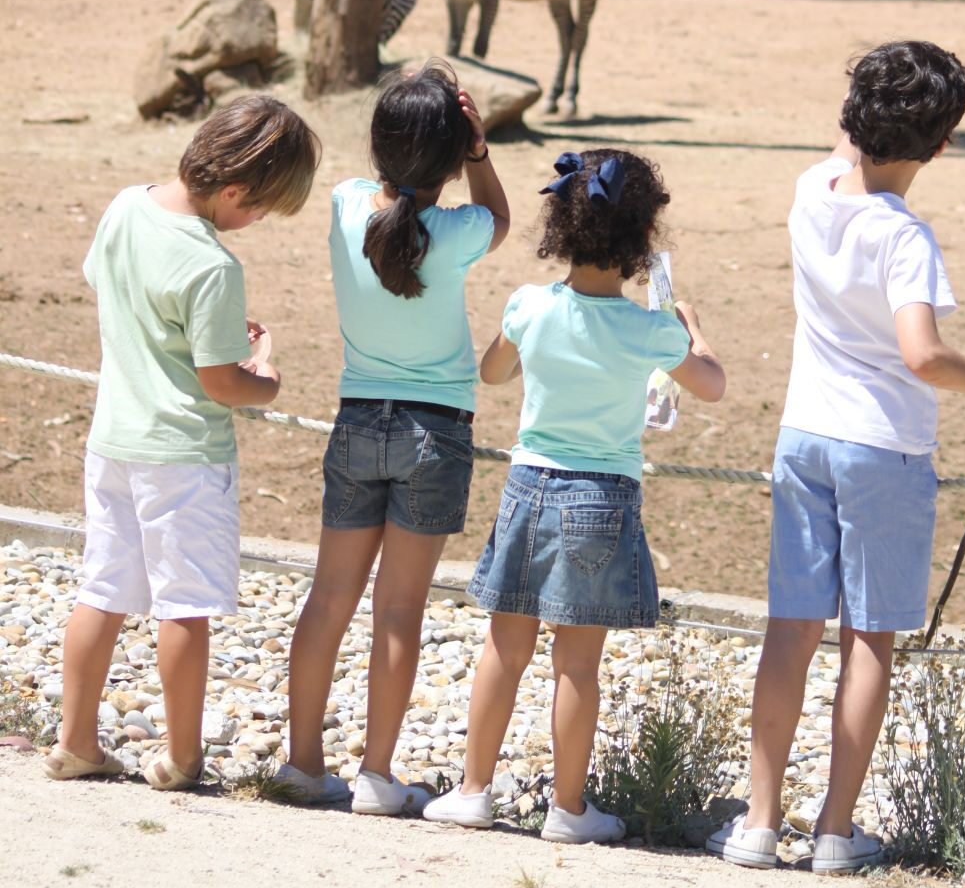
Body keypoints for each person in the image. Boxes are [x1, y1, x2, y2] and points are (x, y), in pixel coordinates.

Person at [708, 40, 965, 875]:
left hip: (804, 434)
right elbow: (921, 354)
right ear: (943, 146)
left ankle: (759, 822)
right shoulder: (905, 236)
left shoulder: (811, 191)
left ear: (852, 117)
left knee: (789, 630)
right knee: (868, 640)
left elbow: (846, 147)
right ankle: (836, 831)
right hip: (883, 446)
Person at [423, 148, 726, 843]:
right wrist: (692, 329)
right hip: (603, 494)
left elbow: (494, 372)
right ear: (642, 238)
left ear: (560, 226)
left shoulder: (529, 305)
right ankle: (568, 808)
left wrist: (518, 331)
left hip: (529, 485)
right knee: (577, 665)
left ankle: (473, 789)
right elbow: (711, 383)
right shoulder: (649, 328)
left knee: (504, 647)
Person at [45, 95, 321, 789]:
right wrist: (267, 375)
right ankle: (181, 755)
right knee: (183, 606)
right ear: (234, 190)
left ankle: (75, 738)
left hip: (113, 440)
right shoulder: (213, 265)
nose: (253, 223)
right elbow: (223, 385)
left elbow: (112, 287)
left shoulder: (124, 206)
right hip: (185, 456)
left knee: (100, 590)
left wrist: (208, 334)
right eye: (256, 209)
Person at [280, 62, 510, 812]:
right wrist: (478, 152)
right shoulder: (460, 230)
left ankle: (303, 760)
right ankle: (378, 775)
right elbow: (500, 217)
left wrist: (423, 103)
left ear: (378, 147)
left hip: (356, 420)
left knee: (328, 598)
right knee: (398, 610)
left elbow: (379, 182)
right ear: (452, 156)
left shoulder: (347, 204)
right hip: (434, 429)